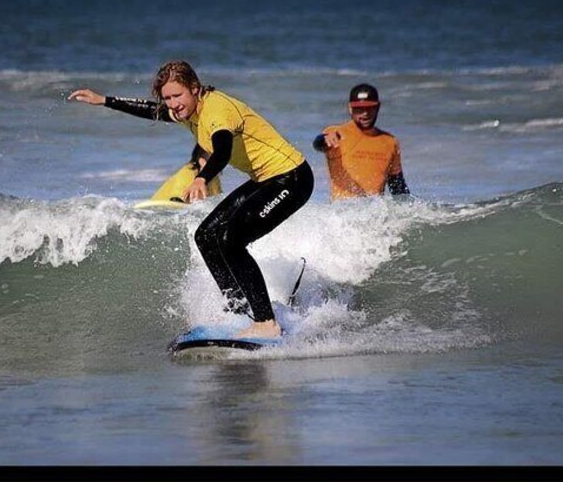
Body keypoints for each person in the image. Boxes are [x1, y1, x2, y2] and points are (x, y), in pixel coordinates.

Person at [69, 61, 313, 338]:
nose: (173, 104)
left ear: (195, 89)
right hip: (265, 179)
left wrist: (201, 178)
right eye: (168, 98)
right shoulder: (188, 109)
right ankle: (239, 311)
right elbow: (153, 111)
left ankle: (267, 323)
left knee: (231, 241)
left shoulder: (216, 110)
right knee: (206, 236)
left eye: (178, 96)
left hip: (291, 179)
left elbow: (221, 150)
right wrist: (104, 100)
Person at [313, 83, 409, 201]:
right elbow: (318, 144)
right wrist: (323, 139)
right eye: (359, 109)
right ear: (350, 108)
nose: (365, 113)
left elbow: (398, 188)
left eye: (370, 108)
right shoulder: (335, 133)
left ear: (378, 107)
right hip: (342, 213)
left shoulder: (390, 142)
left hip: (374, 214)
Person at [148, 144, 222, 203]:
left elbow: (216, 201)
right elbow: (177, 202)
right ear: (201, 160)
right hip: (160, 206)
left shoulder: (213, 178)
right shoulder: (189, 173)